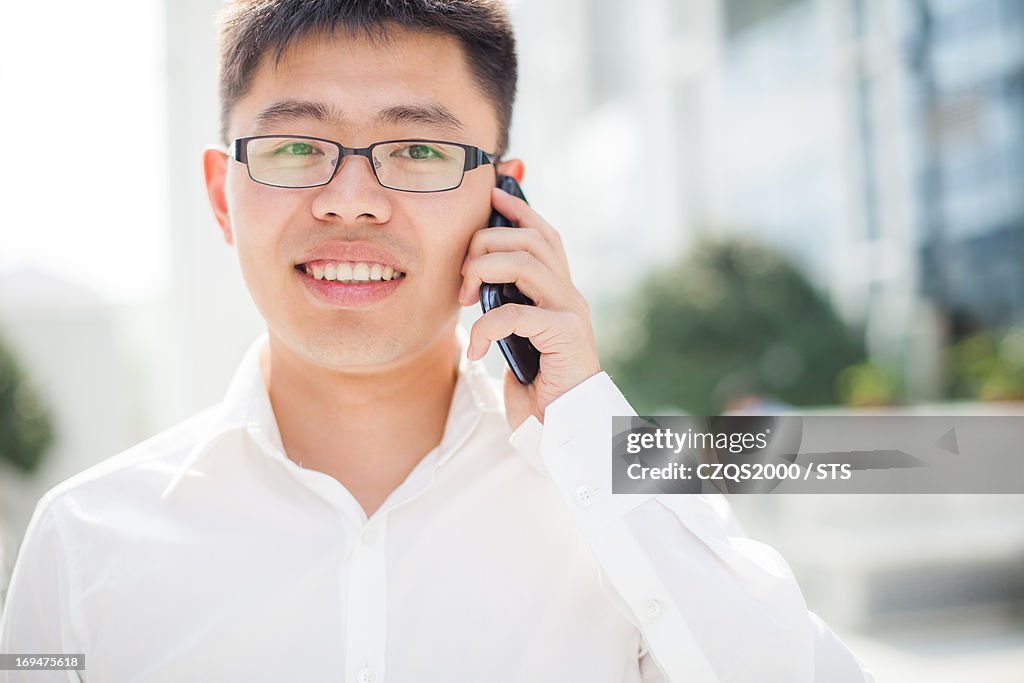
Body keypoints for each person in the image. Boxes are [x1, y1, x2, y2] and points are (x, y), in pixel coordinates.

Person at [0, 1, 875, 681]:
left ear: (505, 201)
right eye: (298, 145)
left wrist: (585, 425)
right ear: (223, 197)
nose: (352, 199)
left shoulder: (612, 500)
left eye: (417, 150)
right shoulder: (84, 542)